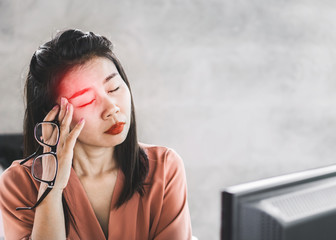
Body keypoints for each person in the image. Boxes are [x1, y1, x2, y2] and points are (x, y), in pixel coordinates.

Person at [0, 29, 192, 240]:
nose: (112, 108)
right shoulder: (17, 184)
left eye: (114, 88)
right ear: (52, 117)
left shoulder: (164, 167)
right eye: (86, 101)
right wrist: (51, 189)